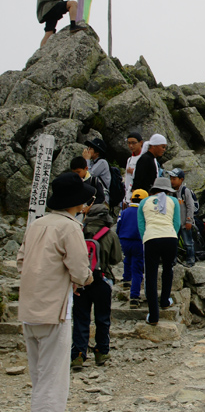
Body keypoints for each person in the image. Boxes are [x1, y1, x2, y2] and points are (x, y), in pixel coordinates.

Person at [17, 172, 94, 412]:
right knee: (53, 380)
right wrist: (80, 281)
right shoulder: (70, 228)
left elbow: (21, 261)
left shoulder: (36, 224)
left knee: (39, 374)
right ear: (78, 203)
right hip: (55, 310)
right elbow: (81, 272)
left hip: (29, 307)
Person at [71, 201, 122, 370]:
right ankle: (101, 352)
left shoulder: (79, 232)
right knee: (102, 318)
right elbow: (116, 259)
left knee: (80, 318)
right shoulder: (110, 234)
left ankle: (78, 354)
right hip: (102, 279)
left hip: (80, 281)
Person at [137, 177, 181, 325]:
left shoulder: (144, 202)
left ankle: (153, 315)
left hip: (151, 238)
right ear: (168, 190)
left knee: (151, 275)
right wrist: (171, 234)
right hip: (170, 237)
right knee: (168, 269)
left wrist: (146, 237)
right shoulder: (173, 201)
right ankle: (164, 300)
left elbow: (141, 225)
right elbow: (177, 223)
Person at [117, 189, 147, 307]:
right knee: (137, 268)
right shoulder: (143, 212)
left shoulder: (124, 212)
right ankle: (134, 296)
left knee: (127, 258)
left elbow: (119, 226)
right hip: (138, 241)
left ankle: (126, 279)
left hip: (124, 239)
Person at [168, 169, 196, 267]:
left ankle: (190, 260)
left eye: (174, 179)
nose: (172, 181)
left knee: (188, 242)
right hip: (173, 223)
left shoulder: (185, 191)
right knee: (173, 242)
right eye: (171, 178)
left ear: (181, 179)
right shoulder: (169, 192)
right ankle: (173, 260)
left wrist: (189, 220)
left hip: (184, 222)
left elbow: (190, 206)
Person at [124, 132, 144, 205]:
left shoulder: (146, 158)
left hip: (141, 196)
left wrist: (135, 172)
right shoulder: (129, 159)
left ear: (141, 143)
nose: (131, 146)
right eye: (129, 143)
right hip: (129, 196)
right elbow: (127, 180)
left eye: (133, 143)